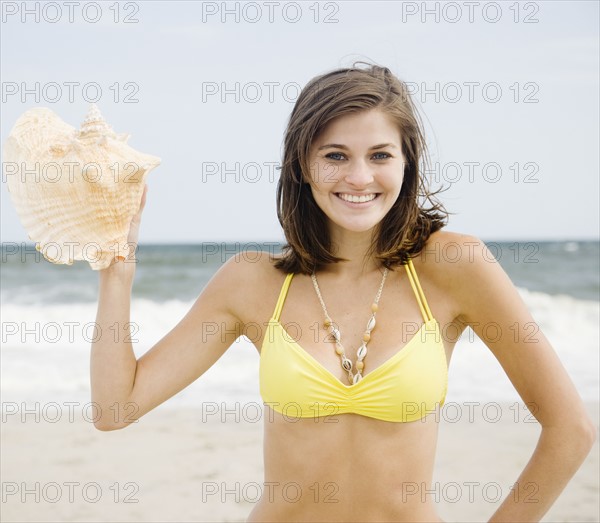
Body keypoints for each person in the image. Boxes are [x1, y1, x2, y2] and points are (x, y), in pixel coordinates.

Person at [91, 63, 596, 522]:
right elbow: (116, 409)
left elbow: (570, 430)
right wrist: (117, 273)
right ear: (301, 165)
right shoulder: (252, 281)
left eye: (380, 155)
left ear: (407, 163)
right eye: (335, 155)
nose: (359, 177)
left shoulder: (453, 266)